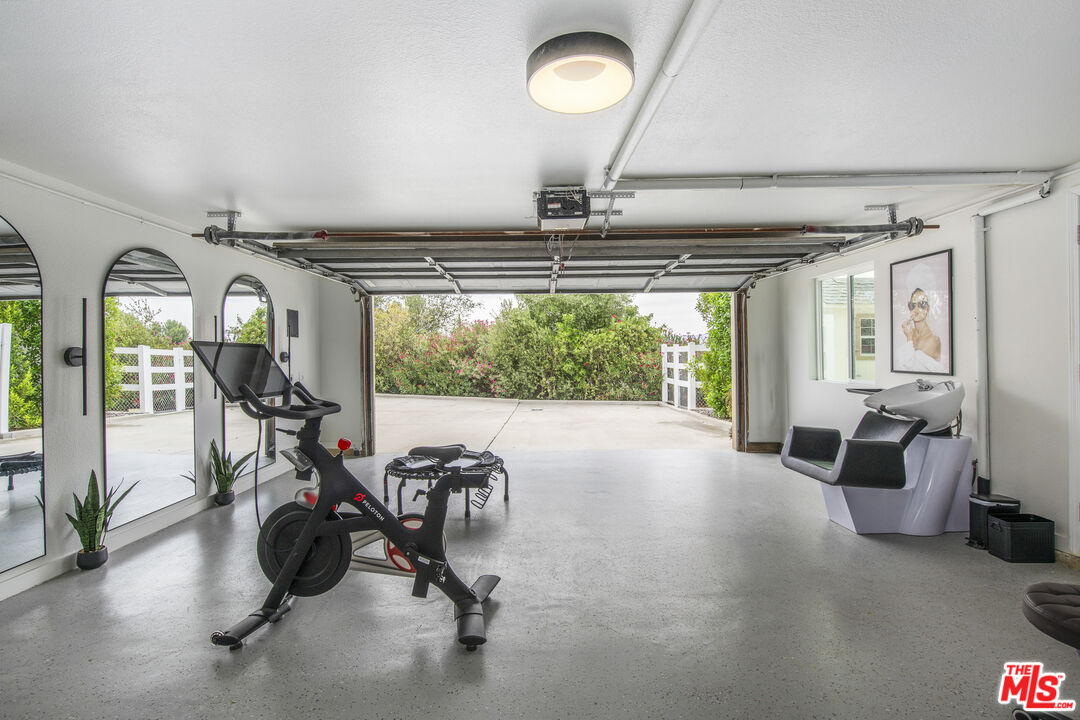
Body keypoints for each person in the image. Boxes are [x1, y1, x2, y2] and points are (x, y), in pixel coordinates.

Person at [896, 287, 944, 372]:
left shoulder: (933, 339)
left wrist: (909, 338)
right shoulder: (907, 333)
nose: (916, 309)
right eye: (912, 305)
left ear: (928, 308)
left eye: (922, 304)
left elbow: (910, 366)